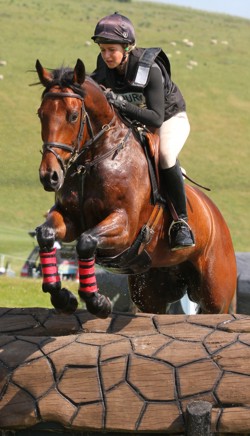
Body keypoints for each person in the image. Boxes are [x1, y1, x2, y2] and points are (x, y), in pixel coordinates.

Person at [91, 12, 195, 251]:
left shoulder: (150, 69)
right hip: (135, 120)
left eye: (111, 50)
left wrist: (118, 102)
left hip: (169, 118)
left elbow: (156, 117)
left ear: (127, 48)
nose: (106, 55)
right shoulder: (104, 65)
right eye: (102, 49)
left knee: (166, 156)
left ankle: (181, 223)